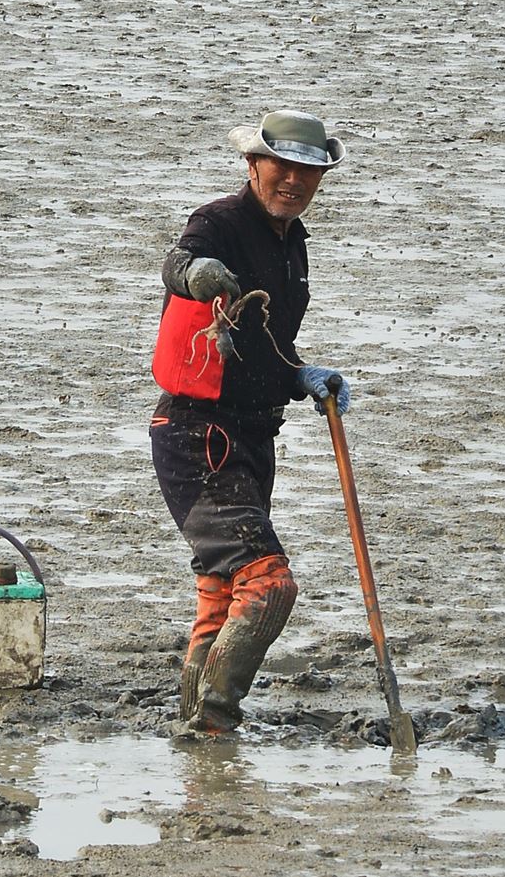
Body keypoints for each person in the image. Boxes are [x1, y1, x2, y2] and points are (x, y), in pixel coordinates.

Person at [150, 109, 350, 734]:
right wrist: (196, 276)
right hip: (196, 433)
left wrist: (301, 376)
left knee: (220, 592)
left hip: (252, 435)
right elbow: (178, 262)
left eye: (307, 172)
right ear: (253, 165)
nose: (293, 181)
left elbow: (268, 342)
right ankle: (214, 718)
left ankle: (199, 733)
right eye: (282, 168)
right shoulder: (220, 222)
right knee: (269, 586)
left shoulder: (293, 245)